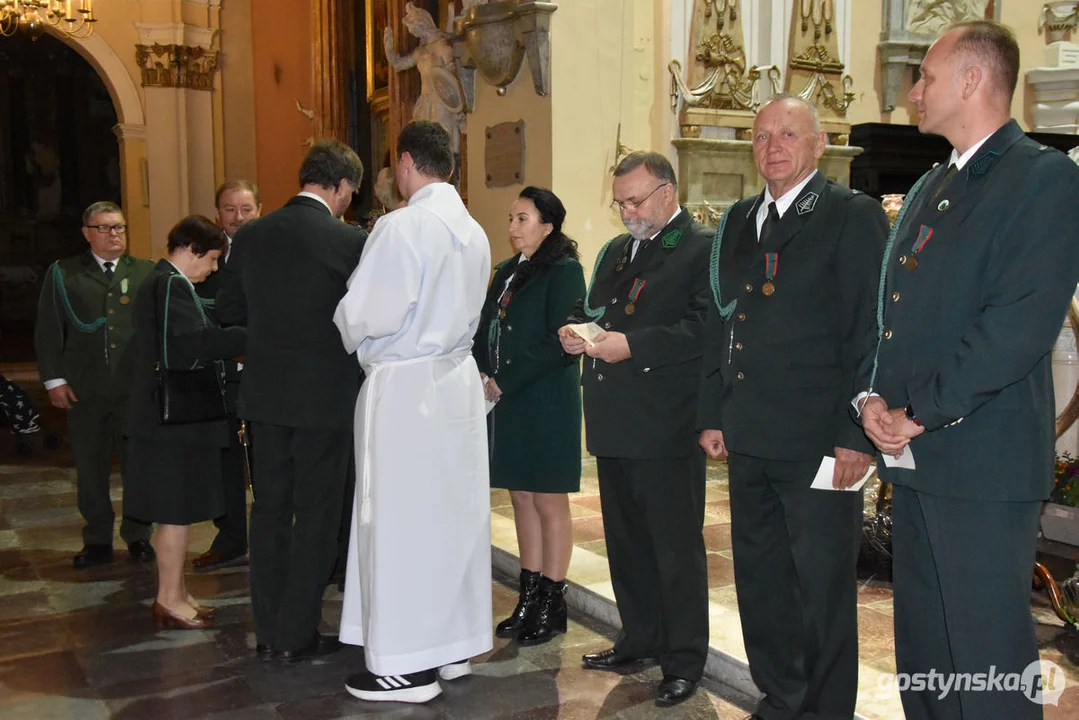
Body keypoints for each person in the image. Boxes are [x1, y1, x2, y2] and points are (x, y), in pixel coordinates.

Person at [858, 21, 1079, 719]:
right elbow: (892, 309)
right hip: (919, 455)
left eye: (924, 75)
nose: (913, 90)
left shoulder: (1040, 179)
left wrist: (917, 410)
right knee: (925, 653)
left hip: (979, 460)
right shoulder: (932, 182)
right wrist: (870, 396)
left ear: (971, 80)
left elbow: (1013, 327)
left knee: (984, 663)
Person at [696, 94, 888, 720]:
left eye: (788, 134)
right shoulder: (740, 218)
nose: (772, 146)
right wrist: (712, 412)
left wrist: (854, 431)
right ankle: (782, 696)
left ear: (819, 144)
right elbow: (722, 325)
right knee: (762, 580)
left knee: (822, 586)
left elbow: (867, 327)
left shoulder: (847, 215)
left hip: (817, 438)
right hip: (749, 434)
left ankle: (827, 709)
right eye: (761, 137)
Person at [334, 120, 492, 704]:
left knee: (401, 524)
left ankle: (406, 666)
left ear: (404, 164)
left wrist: (344, 318)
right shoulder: (472, 231)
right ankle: (449, 647)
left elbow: (368, 312)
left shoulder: (403, 227)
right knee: (447, 521)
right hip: (452, 385)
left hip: (405, 393)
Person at [558, 151, 711, 707]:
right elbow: (594, 307)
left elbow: (703, 328)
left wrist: (634, 347)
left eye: (635, 200)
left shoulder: (700, 248)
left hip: (664, 423)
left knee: (673, 550)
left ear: (668, 191)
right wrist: (577, 330)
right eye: (619, 202)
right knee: (626, 544)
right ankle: (639, 636)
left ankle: (684, 659)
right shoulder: (618, 251)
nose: (626, 212)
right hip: (614, 420)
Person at [216, 140, 367, 661]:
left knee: (271, 511)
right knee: (318, 514)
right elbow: (363, 317)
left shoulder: (251, 235)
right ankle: (297, 634)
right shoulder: (346, 240)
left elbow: (228, 306)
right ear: (342, 186)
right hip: (324, 400)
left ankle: (268, 630)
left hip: (263, 397)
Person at [473, 186, 585, 646]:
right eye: (512, 219)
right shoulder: (505, 272)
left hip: (545, 400)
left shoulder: (565, 272)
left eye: (523, 219)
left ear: (548, 224)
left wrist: (506, 378)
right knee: (520, 496)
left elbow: (559, 339)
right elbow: (484, 326)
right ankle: (529, 592)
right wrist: (482, 368)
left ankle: (552, 601)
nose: (513, 227)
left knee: (548, 500)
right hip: (509, 400)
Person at [124, 215, 246, 630]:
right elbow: (192, 346)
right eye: (210, 259)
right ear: (191, 250)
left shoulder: (163, 283)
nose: (211, 269)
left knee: (175, 514)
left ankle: (175, 592)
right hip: (172, 423)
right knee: (174, 513)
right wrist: (245, 337)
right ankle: (168, 598)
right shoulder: (172, 285)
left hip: (163, 420)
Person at [34, 201, 156, 569]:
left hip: (133, 389)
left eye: (118, 227)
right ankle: (98, 538)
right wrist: (54, 379)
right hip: (85, 389)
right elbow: (49, 329)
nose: (113, 234)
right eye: (104, 228)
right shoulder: (64, 273)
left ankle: (138, 536)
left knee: (138, 467)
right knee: (90, 467)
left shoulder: (146, 272)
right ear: (87, 233)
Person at [192, 179, 262, 573]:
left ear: (260, 209)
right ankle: (231, 538)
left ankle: (271, 538)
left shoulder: (273, 250)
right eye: (230, 209)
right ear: (218, 213)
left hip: (264, 373)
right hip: (221, 376)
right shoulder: (206, 256)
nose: (238, 218)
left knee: (268, 461)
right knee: (225, 462)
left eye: (246, 209)